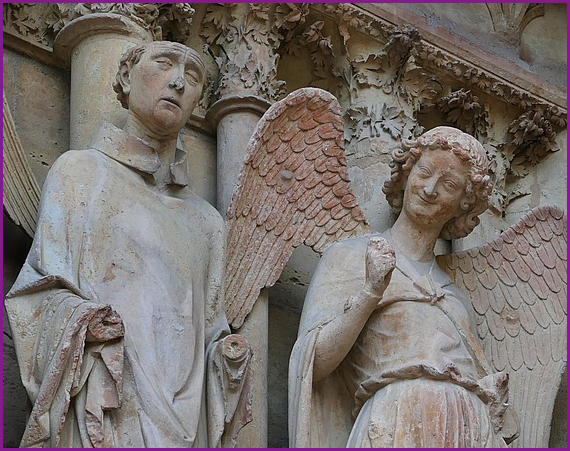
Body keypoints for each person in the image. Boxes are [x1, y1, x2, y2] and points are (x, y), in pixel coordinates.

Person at [5, 41, 252, 448]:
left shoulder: (206, 222)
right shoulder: (79, 173)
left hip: (186, 421)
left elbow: (211, 329)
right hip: (105, 406)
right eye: (164, 64)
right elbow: (38, 295)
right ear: (125, 77)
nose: (178, 81)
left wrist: (227, 356)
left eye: (192, 77)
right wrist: (84, 322)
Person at [289, 126, 518, 447]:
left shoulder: (457, 296)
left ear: (464, 205)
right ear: (407, 173)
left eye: (449, 185)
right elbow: (314, 363)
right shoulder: (350, 256)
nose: (430, 189)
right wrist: (370, 292)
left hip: (469, 424)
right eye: (424, 172)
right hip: (395, 417)